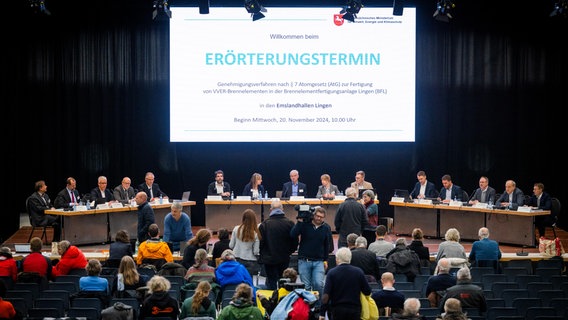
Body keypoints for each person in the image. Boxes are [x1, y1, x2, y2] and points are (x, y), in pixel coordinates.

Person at [290, 206, 333, 298]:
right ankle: (307, 308)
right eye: (317, 216)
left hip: (319, 261)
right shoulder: (304, 225)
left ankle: (318, 307)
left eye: (321, 217)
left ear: (324, 217)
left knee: (318, 284)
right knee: (306, 286)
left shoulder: (326, 228)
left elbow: (327, 245)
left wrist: (326, 260)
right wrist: (299, 222)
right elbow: (293, 234)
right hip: (304, 260)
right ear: (313, 215)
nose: (319, 218)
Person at [318, 247, 372, 320]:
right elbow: (367, 292)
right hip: (354, 309)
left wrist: (322, 313)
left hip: (337, 309)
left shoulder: (332, 273)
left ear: (337, 259)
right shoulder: (358, 272)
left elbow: (326, 295)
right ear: (350, 258)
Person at [258, 198, 298, 290]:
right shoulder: (290, 223)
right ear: (282, 209)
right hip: (284, 258)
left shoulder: (264, 224)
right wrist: (289, 251)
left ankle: (272, 302)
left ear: (271, 210)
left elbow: (261, 243)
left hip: (269, 259)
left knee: (271, 282)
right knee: (284, 282)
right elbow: (295, 242)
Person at [230, 209, 261, 278]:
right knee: (248, 281)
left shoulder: (236, 229)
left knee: (237, 279)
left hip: (237, 258)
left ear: (243, 218)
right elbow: (256, 251)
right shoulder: (256, 232)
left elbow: (231, 245)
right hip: (251, 260)